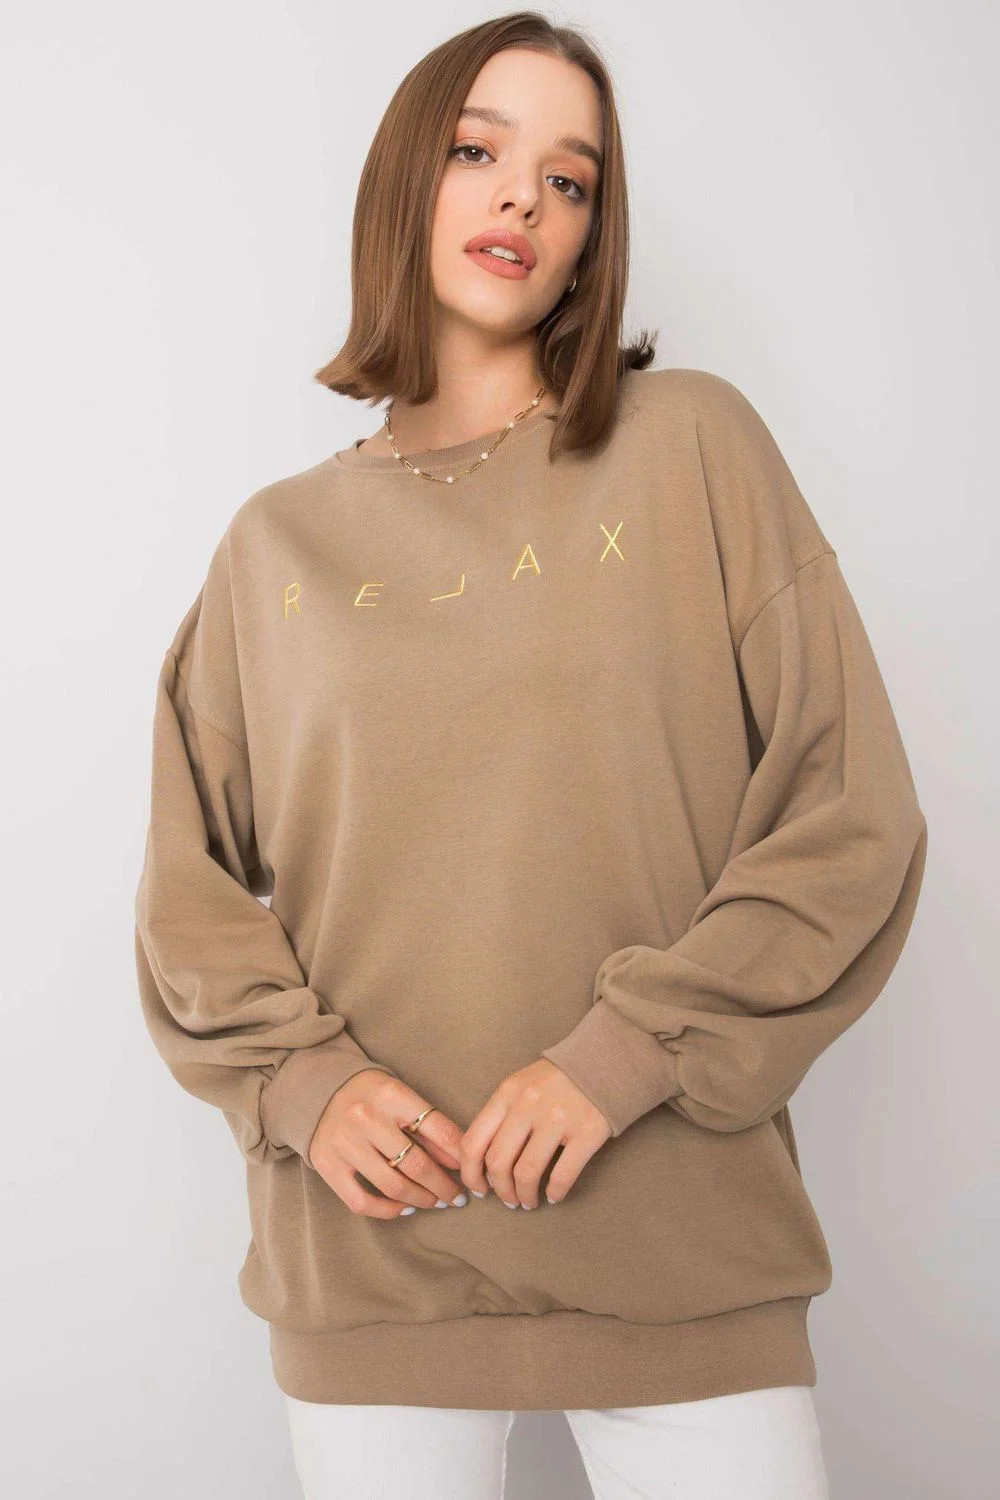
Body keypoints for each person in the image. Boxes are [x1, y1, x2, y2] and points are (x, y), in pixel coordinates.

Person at [133, 12, 928, 1499]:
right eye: (477, 151)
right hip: (372, 1270)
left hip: (683, 1254)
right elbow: (187, 895)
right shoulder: (273, 547)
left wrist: (626, 1056)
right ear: (403, 180)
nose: (523, 198)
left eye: (571, 180)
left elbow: (850, 815)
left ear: (590, 238)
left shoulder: (693, 448)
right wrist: (305, 1083)